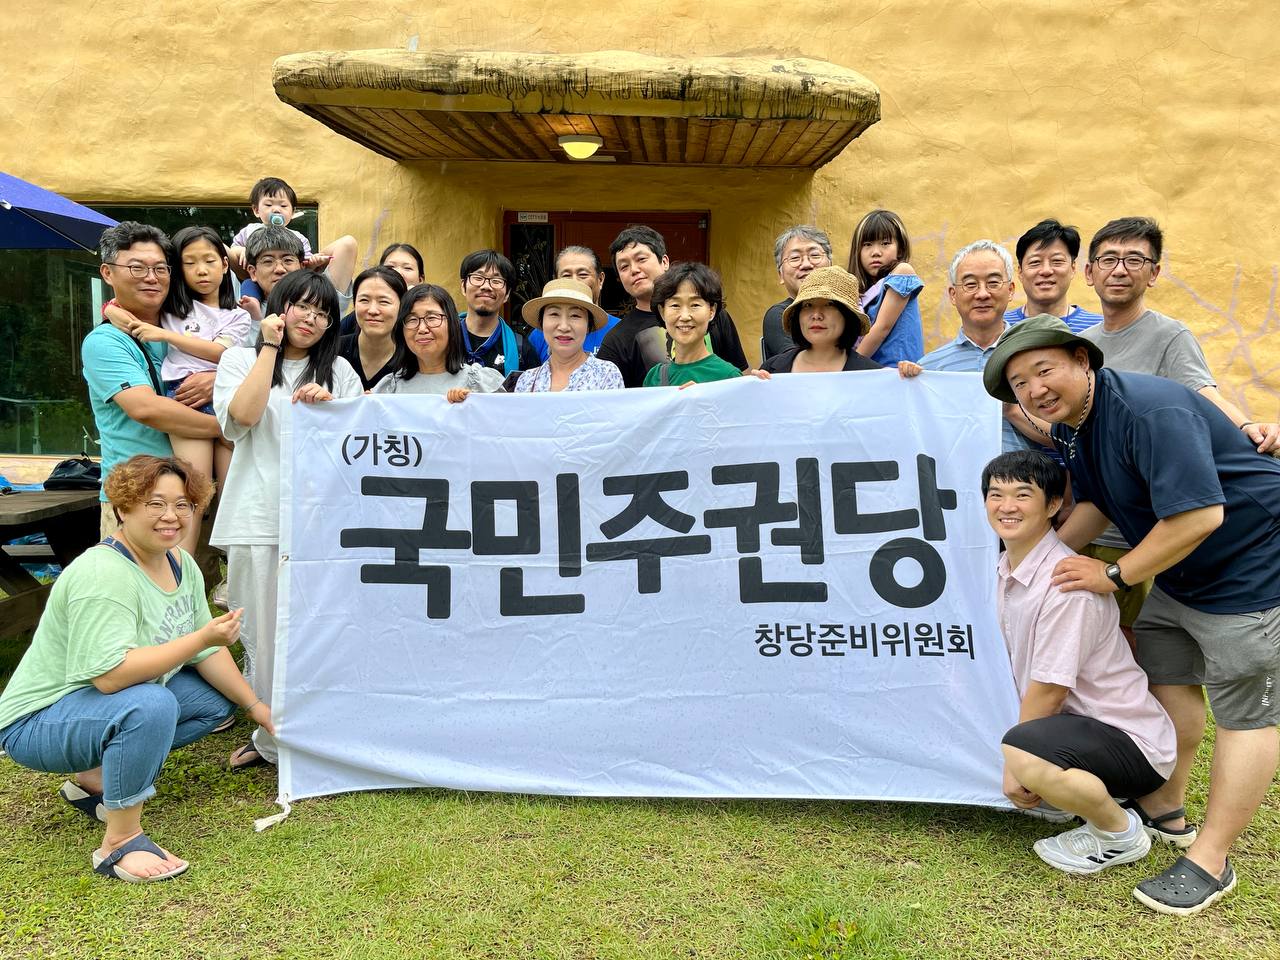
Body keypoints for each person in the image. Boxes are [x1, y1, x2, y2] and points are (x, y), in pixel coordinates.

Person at [985, 315, 1280, 915]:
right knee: (1167, 675)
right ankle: (1166, 808)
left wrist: (1114, 574)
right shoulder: (1073, 427)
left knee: (1246, 711)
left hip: (1250, 561)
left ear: (1082, 360)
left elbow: (1201, 515)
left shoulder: (1147, 411)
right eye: (1020, 384)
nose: (1035, 389)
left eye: (1044, 370)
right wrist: (1035, 562)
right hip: (1179, 563)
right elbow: (1096, 501)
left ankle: (1211, 859)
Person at [0, 454, 267, 883]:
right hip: (35, 722)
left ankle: (94, 781)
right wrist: (201, 639)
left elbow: (206, 652)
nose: (171, 515)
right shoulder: (103, 574)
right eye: (155, 503)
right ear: (123, 508)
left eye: (183, 504)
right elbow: (111, 676)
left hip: (92, 706)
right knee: (151, 704)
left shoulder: (179, 562)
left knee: (213, 702)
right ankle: (120, 841)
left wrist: (256, 709)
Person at [1071, 216, 1280, 639]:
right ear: (1089, 272)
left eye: (1134, 259)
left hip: (1160, 523)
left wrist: (1248, 425)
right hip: (1106, 509)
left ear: (1154, 273)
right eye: (1109, 259)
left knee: (1135, 635)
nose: (1120, 269)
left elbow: (1203, 394)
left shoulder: (1169, 335)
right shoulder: (1082, 346)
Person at [983, 450, 1176, 875]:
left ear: (1054, 505)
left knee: (1022, 751)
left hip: (1131, 742)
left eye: (1023, 495)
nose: (1007, 506)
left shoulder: (1064, 583)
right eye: (996, 494)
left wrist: (1017, 764)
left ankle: (1118, 832)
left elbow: (1050, 690)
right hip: (1082, 729)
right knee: (1020, 746)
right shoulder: (1006, 566)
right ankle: (1061, 794)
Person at [212, 271, 363, 771]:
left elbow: (357, 447)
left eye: (323, 314)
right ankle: (272, 736)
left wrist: (331, 410)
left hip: (321, 523)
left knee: (320, 627)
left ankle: (320, 732)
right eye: (303, 307)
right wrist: (270, 348)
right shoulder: (240, 359)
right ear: (280, 306)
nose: (312, 320)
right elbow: (242, 418)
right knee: (261, 633)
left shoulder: (339, 371)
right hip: (258, 516)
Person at [101, 226, 248, 552]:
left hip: (219, 404)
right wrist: (229, 427)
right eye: (137, 268)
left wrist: (217, 382)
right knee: (189, 501)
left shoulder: (226, 316)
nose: (150, 278)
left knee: (230, 499)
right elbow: (146, 408)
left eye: (158, 268)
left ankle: (230, 563)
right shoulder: (116, 337)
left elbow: (227, 354)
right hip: (139, 486)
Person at [910, 240, 1043, 452]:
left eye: (993, 283)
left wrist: (1011, 410)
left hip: (1023, 473)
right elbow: (916, 436)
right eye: (970, 284)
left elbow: (1061, 437)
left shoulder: (1035, 356)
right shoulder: (929, 368)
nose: (982, 294)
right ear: (953, 294)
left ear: (1010, 290)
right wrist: (906, 381)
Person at [597, 226, 749, 387]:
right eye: (624, 266)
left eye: (641, 259)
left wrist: (756, 385)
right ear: (662, 313)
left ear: (664, 262)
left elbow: (739, 382)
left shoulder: (717, 316)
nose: (634, 270)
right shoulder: (617, 340)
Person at [373, 284, 505, 398]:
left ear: (452, 324)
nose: (422, 329)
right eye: (412, 319)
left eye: (432, 318)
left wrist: (473, 405)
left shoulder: (480, 384)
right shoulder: (389, 389)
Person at [643, 263, 759, 386]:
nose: (685, 316)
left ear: (711, 311)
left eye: (695, 305)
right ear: (662, 312)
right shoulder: (654, 377)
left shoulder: (728, 376)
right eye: (675, 305)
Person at [237, 221, 358, 332]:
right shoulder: (244, 307)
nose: (280, 269)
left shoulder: (321, 300)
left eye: (288, 260)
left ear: (301, 266)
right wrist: (238, 251)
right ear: (253, 272)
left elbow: (347, 244)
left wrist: (309, 267)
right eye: (268, 261)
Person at [760, 266, 880, 374]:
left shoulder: (871, 376)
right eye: (808, 305)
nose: (816, 315)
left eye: (829, 304)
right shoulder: (771, 370)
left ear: (848, 316)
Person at [514, 278, 624, 391]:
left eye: (575, 315)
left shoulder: (606, 375)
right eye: (554, 314)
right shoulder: (527, 381)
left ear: (588, 325)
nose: (564, 327)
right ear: (542, 323)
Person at [848, 209, 925, 366]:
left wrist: (849, 368)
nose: (876, 252)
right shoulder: (859, 291)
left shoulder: (902, 272)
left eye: (885, 243)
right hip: (870, 372)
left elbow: (882, 328)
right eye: (867, 244)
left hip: (897, 372)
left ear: (900, 249)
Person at [1004, 219, 1103, 332]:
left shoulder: (1099, 328)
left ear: (1073, 268)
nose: (1046, 271)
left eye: (1057, 261)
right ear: (1020, 272)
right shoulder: (1001, 327)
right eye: (1035, 262)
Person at [526, 246, 622, 362]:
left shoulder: (619, 331)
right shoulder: (540, 335)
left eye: (583, 275)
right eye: (566, 276)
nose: (574, 282)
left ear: (600, 279)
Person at [456, 249, 540, 377]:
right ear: (463, 286)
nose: (486, 286)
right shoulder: (443, 338)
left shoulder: (523, 350)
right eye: (478, 278)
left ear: (507, 294)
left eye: (496, 281)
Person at [760, 225, 833, 363]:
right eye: (795, 258)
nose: (806, 265)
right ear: (780, 274)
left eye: (814, 255)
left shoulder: (845, 308)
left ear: (830, 265)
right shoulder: (780, 315)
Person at [337, 266, 408, 391]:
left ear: (402, 307)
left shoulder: (412, 359)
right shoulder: (332, 351)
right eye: (364, 300)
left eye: (384, 302)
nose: (373, 310)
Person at [339, 242, 425, 336]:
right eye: (390, 267)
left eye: (407, 268)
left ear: (421, 279)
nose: (398, 272)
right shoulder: (364, 312)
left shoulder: (428, 309)